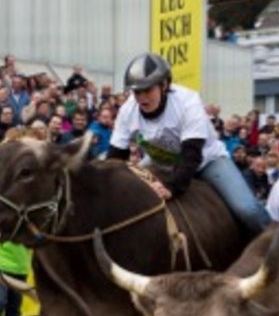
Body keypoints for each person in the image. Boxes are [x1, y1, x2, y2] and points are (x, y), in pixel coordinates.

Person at [107, 52, 269, 234]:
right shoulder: (128, 110)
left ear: (164, 85)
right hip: (160, 162)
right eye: (137, 91)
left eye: (148, 90)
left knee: (247, 210)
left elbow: (191, 154)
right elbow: (115, 158)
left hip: (206, 160)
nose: (142, 97)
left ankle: (278, 242)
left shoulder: (187, 101)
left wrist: (171, 187)